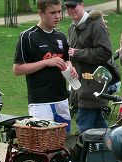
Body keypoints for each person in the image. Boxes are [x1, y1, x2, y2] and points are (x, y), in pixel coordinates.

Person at [13, 0, 76, 133]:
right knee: (44, 148)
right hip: (40, 102)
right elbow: (17, 69)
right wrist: (46, 62)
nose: (58, 16)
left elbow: (66, 61)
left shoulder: (61, 36)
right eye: (53, 12)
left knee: (64, 144)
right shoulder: (28, 36)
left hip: (62, 100)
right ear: (40, 13)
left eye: (59, 11)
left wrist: (70, 68)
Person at [66, 0, 115, 133]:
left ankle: (86, 153)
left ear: (82, 5)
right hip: (80, 84)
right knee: (99, 125)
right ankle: (110, 150)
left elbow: (105, 52)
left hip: (93, 85)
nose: (70, 10)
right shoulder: (72, 27)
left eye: (73, 6)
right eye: (67, 7)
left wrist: (78, 53)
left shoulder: (96, 25)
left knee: (84, 126)